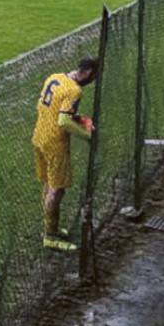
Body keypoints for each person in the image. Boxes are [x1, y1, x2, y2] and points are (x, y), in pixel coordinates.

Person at [33, 58, 98, 251]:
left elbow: (51, 108)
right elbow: (63, 121)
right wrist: (87, 135)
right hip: (55, 143)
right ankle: (50, 236)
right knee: (57, 189)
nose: (93, 80)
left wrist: (78, 118)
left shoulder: (55, 77)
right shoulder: (74, 90)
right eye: (93, 76)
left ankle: (49, 227)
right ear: (87, 72)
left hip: (39, 136)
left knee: (48, 183)